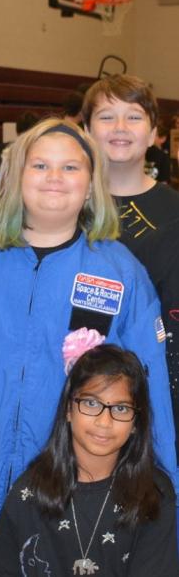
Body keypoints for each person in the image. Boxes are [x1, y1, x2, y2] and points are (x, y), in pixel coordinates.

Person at [0, 117, 176, 576]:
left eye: (70, 167)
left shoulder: (119, 273)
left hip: (65, 479)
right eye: (40, 165)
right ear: (16, 178)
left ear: (91, 185)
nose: (54, 178)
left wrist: (164, 489)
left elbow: (150, 388)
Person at [0, 344, 179, 576]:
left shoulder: (154, 494)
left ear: (136, 422)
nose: (104, 422)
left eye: (120, 408)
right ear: (68, 408)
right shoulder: (28, 491)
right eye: (91, 403)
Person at [82, 75, 179, 460]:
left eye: (134, 117)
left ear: (155, 133)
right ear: (86, 129)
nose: (120, 128)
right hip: (77, 393)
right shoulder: (66, 204)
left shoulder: (174, 211)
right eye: (107, 117)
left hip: (157, 394)